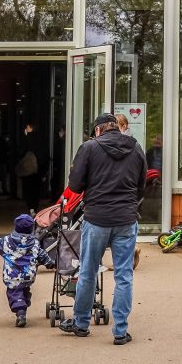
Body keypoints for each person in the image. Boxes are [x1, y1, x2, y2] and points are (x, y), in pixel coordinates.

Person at [58, 112, 146, 345]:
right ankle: (120, 331)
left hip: (96, 218)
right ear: (117, 128)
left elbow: (75, 185)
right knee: (124, 275)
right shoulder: (136, 148)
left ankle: (81, 323)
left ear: (98, 130)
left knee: (88, 271)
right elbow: (142, 184)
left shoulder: (89, 148)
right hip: (126, 219)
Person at [0, 213, 55, 327]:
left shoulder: (7, 241)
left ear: (15, 227)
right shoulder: (34, 243)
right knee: (24, 289)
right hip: (28, 275)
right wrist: (50, 263)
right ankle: (24, 302)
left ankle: (21, 312)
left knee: (14, 293)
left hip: (12, 276)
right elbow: (42, 254)